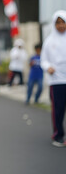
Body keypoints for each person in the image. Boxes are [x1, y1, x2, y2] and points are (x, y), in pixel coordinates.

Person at [40, 10, 66, 147]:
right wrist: (48, 67)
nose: (61, 25)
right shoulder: (49, 41)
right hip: (56, 81)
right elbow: (43, 60)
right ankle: (58, 135)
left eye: (63, 22)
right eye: (58, 23)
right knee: (58, 109)